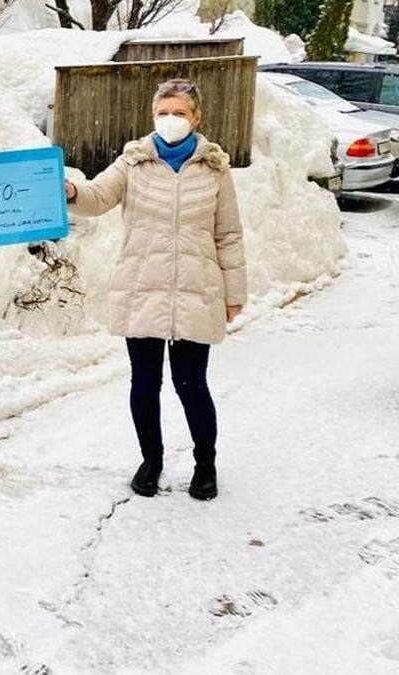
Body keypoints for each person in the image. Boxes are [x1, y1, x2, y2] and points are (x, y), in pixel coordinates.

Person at [64, 78, 246, 501]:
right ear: (152, 117)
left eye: (179, 112)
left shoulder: (214, 168)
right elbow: (96, 196)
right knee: (145, 383)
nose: (170, 120)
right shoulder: (134, 161)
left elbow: (229, 235)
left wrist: (233, 292)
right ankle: (152, 460)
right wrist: (73, 190)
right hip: (142, 286)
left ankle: (205, 465)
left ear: (196, 117)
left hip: (196, 290)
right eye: (163, 113)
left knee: (191, 384)